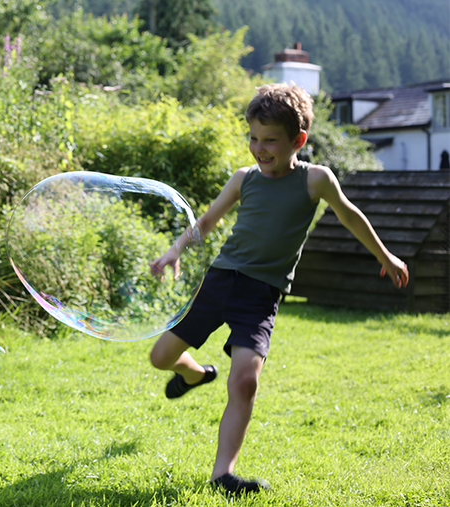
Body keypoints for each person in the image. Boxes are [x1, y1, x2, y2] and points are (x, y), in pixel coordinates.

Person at [148, 83, 409, 494]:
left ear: (297, 140)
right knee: (160, 357)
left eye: (270, 140)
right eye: (253, 137)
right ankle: (196, 375)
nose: (259, 148)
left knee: (245, 381)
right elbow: (208, 221)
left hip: (261, 293)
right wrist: (173, 250)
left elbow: (350, 215)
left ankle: (222, 475)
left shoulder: (316, 180)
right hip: (221, 280)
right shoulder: (243, 179)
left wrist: (385, 255)